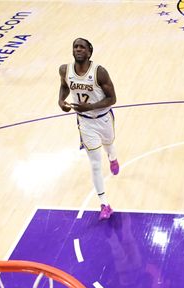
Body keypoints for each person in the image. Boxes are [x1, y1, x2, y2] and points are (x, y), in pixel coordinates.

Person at [58, 38, 121, 221]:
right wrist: (61, 101)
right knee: (94, 163)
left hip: (103, 118)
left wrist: (91, 106)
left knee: (109, 144)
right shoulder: (65, 70)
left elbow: (112, 99)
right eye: (75, 47)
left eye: (82, 47)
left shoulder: (99, 72)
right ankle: (104, 204)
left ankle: (113, 157)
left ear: (89, 52)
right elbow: (64, 87)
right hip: (85, 123)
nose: (78, 49)